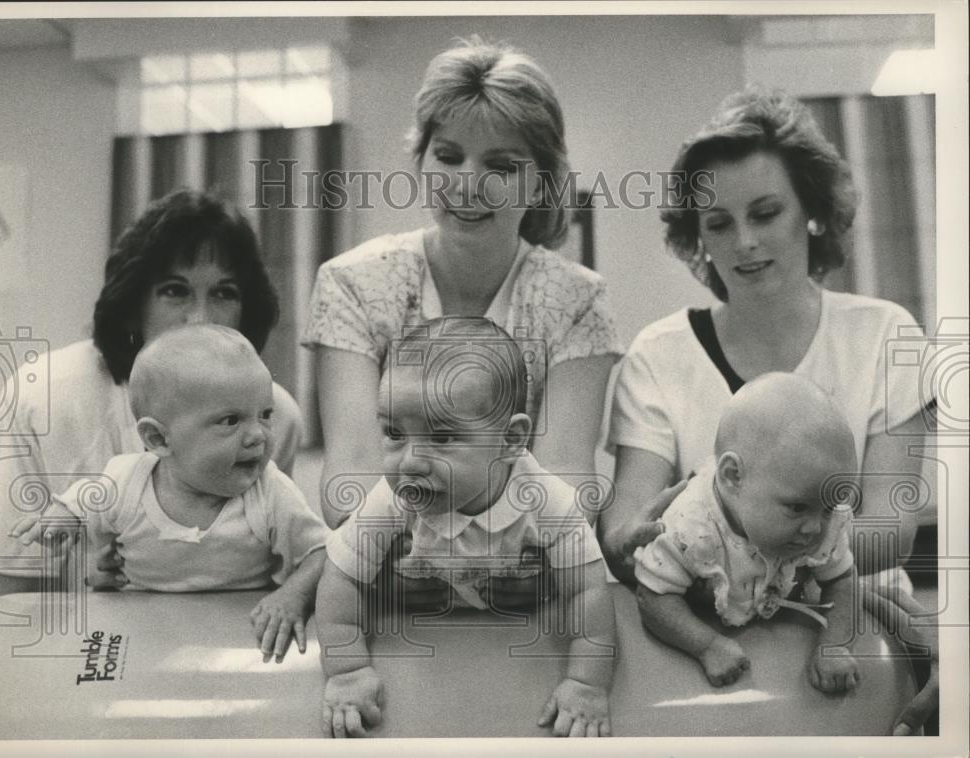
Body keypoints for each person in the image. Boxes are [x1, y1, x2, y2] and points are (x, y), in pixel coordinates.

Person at [599, 86, 937, 734]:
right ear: (697, 239)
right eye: (719, 223)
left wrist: (762, 567)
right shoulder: (658, 354)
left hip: (855, 635)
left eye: (765, 212)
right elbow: (626, 524)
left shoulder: (886, 335)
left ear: (811, 212)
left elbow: (891, 528)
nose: (745, 242)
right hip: (698, 645)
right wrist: (627, 543)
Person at [303, 39, 622, 562]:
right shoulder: (352, 284)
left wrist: (463, 546)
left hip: (527, 592)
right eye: (448, 157)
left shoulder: (577, 300)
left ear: (542, 182)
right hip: (387, 583)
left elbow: (571, 494)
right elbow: (349, 487)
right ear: (421, 161)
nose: (467, 185)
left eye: (500, 165)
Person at [0, 189, 304, 595]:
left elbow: (270, 564)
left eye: (224, 293)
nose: (200, 317)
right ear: (134, 300)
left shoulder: (276, 414)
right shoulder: (44, 397)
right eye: (175, 290)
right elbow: (20, 593)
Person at [315, 317, 614, 738]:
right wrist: (347, 671)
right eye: (394, 433)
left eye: (442, 438)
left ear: (510, 441)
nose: (410, 461)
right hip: (415, 602)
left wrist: (586, 683)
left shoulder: (546, 501)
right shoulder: (395, 496)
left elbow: (588, 589)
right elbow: (341, 576)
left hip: (516, 608)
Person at [10, 325, 328, 663]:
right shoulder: (125, 482)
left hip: (239, 636)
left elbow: (322, 552)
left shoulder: (269, 492)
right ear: (159, 439)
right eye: (231, 420)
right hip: (142, 635)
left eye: (265, 415)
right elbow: (78, 504)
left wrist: (294, 596)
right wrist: (61, 519)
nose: (258, 436)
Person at [635, 373, 859, 691]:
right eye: (797, 508)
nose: (815, 527)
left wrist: (835, 645)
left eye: (829, 508)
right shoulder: (691, 528)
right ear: (733, 477)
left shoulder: (821, 511)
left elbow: (843, 580)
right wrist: (706, 645)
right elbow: (652, 596)